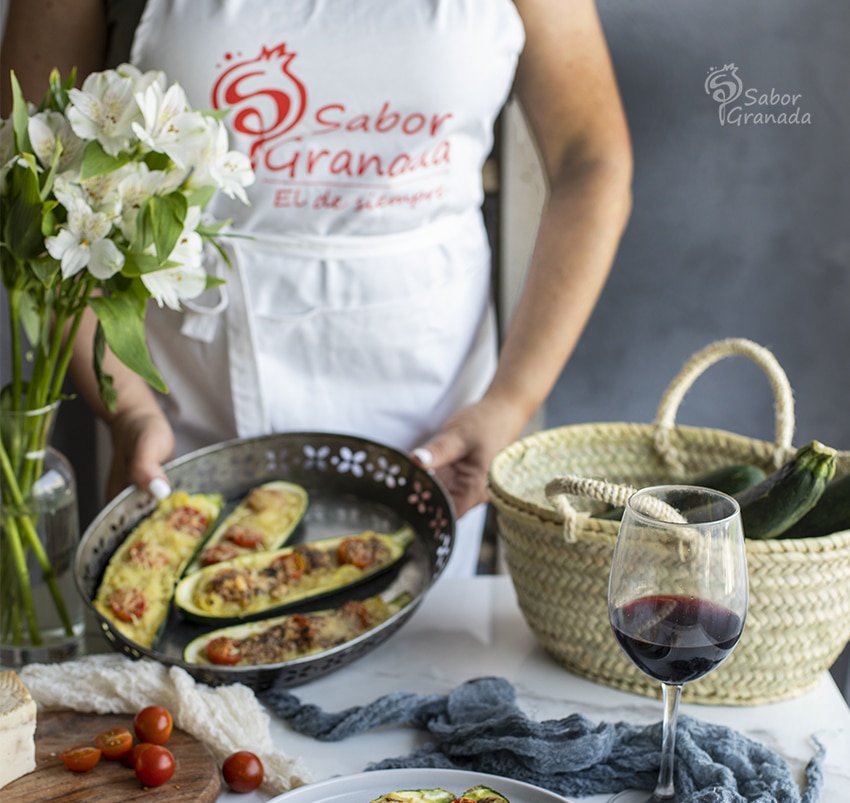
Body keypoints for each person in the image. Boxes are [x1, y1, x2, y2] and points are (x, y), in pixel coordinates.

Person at [1, 0, 632, 575]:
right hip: (182, 417)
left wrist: (510, 401)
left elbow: (590, 160)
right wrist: (129, 406)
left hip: (433, 420)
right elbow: (20, 183)